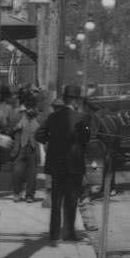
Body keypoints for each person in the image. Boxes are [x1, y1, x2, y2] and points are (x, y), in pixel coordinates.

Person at [37, 84, 90, 244]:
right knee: (71, 200)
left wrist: (51, 141)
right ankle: (68, 233)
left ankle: (54, 234)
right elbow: (85, 139)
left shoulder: (53, 117)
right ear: (74, 101)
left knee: (56, 200)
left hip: (56, 164)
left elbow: (39, 135)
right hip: (74, 165)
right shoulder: (81, 118)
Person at [10, 100, 42, 202]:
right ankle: (17, 193)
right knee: (17, 171)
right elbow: (9, 130)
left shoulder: (39, 118)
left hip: (33, 148)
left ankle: (29, 195)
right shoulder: (18, 117)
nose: (31, 110)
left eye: (33, 108)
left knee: (32, 174)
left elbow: (43, 132)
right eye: (29, 108)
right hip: (20, 148)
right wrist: (16, 128)